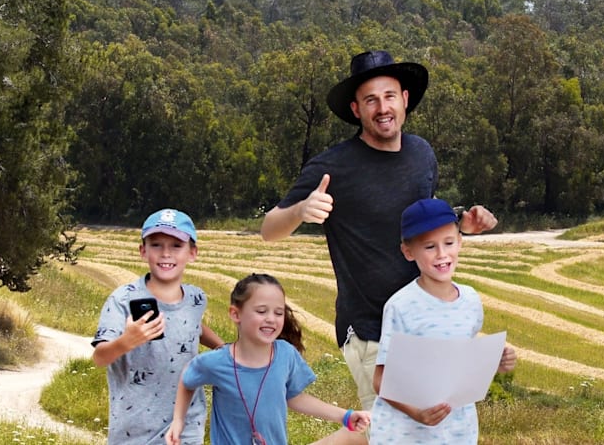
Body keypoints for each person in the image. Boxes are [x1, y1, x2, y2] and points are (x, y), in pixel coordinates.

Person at [260, 50, 498, 416]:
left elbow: (423, 221)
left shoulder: (422, 154)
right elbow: (269, 229)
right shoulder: (333, 165)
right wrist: (300, 211)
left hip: (425, 322)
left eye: (389, 96)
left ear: (404, 100)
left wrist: (462, 222)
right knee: (394, 431)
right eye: (370, 100)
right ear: (356, 110)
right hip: (372, 329)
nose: (382, 107)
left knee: (438, 428)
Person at [369, 198, 516, 443]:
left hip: (457, 431)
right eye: (429, 247)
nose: (441, 254)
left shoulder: (470, 300)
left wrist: (496, 361)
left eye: (448, 243)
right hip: (406, 435)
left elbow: (465, 363)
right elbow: (381, 380)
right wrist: (416, 413)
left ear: (459, 242)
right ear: (408, 251)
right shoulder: (401, 306)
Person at [165, 273, 371, 445]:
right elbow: (187, 378)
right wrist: (178, 420)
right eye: (261, 311)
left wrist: (344, 416)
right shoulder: (217, 362)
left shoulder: (286, 354)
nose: (271, 318)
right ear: (235, 314)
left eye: (278, 312)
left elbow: (293, 397)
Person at [92, 208, 224, 444]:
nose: (166, 253)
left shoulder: (196, 298)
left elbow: (193, 325)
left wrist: (222, 348)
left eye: (176, 246)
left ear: (192, 253)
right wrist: (127, 341)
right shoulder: (122, 300)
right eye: (156, 245)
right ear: (143, 251)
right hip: (134, 432)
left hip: (187, 426)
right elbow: (100, 357)